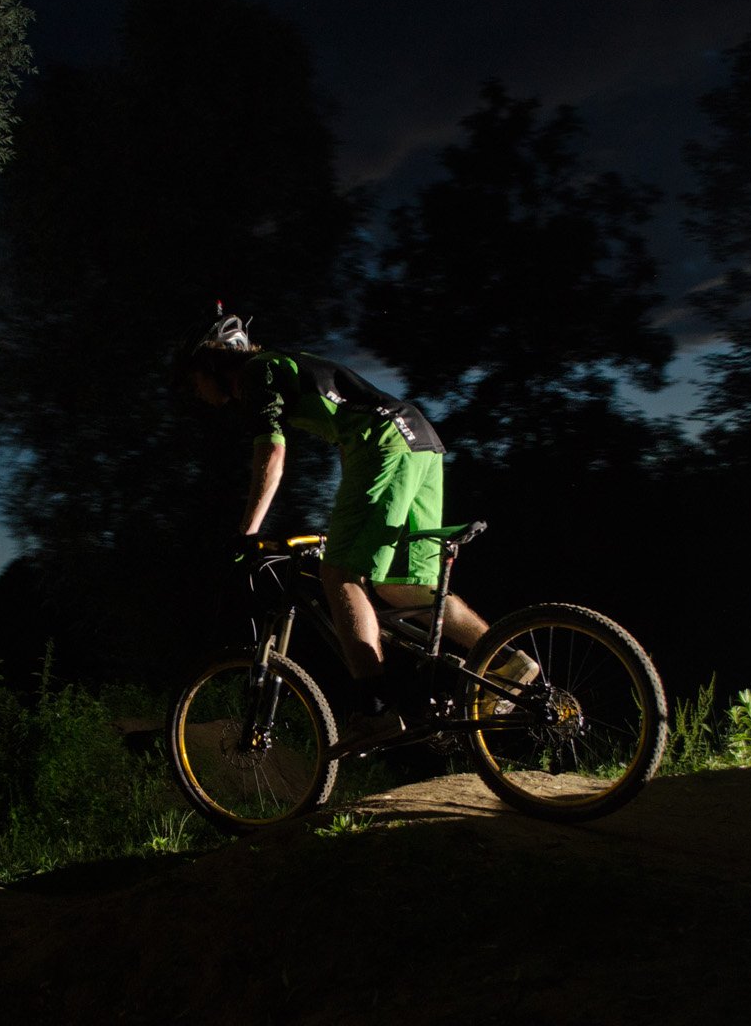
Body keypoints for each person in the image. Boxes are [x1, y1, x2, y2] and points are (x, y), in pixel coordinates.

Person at [183, 311, 535, 751]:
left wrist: (247, 532)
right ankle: (507, 662)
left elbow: (272, 454)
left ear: (213, 363)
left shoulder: (256, 373)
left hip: (384, 444)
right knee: (405, 585)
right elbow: (349, 426)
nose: (195, 391)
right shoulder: (286, 365)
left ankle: (375, 710)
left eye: (194, 379)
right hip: (420, 441)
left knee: (339, 574)